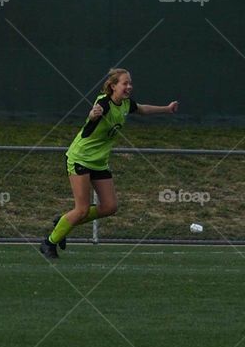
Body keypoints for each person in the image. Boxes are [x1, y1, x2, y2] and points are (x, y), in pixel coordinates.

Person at [40, 69, 178, 259]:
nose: (129, 86)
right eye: (124, 83)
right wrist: (93, 115)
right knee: (82, 209)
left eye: (130, 83)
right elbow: (91, 119)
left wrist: (166, 109)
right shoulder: (104, 103)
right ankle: (49, 243)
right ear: (113, 86)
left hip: (99, 162)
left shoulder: (126, 104)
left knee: (110, 207)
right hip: (80, 158)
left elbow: (143, 109)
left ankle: (64, 222)